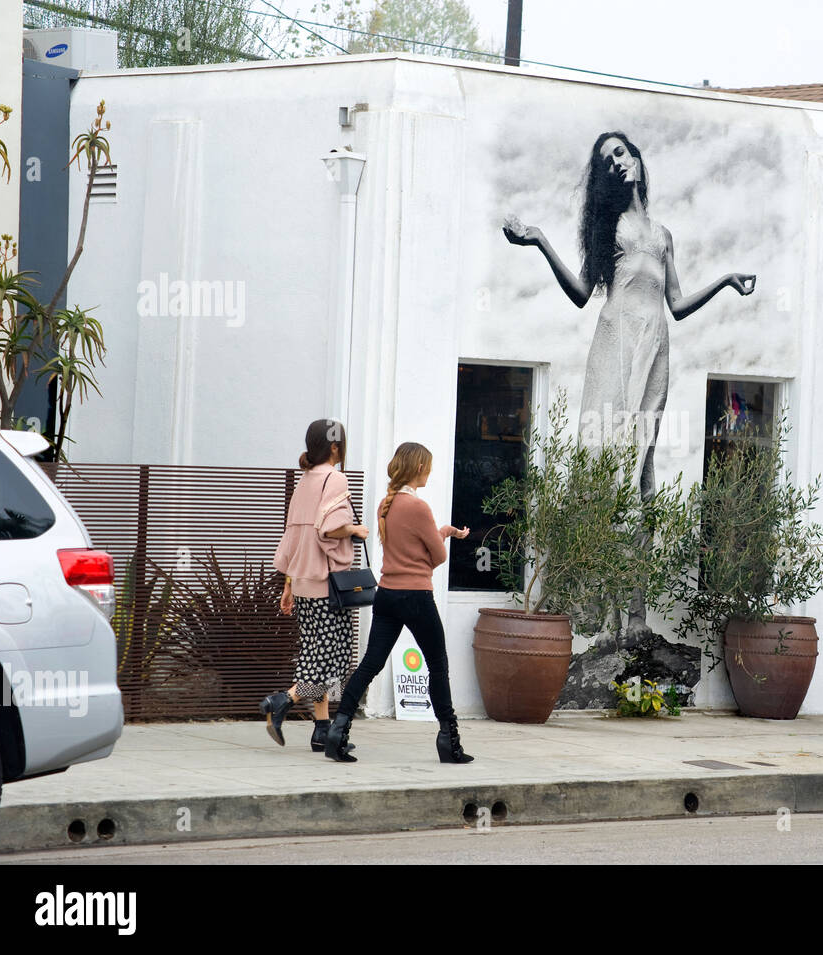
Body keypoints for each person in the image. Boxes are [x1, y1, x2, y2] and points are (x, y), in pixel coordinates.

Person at [503, 131, 755, 637]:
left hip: (655, 349)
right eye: (607, 161)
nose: (618, 163)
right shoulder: (610, 228)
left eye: (622, 152)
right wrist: (540, 241)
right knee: (611, 467)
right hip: (616, 343)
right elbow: (581, 293)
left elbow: (677, 306)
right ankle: (603, 609)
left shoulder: (662, 234)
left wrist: (726, 280)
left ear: (637, 158)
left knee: (642, 477)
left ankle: (632, 614)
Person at [323, 442, 472, 763]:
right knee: (437, 664)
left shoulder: (386, 505)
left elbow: (408, 547)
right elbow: (438, 556)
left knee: (370, 664)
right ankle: (450, 742)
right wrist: (440, 540)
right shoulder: (418, 508)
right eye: (428, 467)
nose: (430, 472)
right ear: (419, 468)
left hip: (387, 595)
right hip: (416, 596)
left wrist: (442, 531)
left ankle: (338, 730)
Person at [264, 420, 369, 752]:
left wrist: (288, 584)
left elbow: (294, 535)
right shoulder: (334, 478)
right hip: (328, 585)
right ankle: (282, 699)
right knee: (330, 660)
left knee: (316, 654)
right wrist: (355, 530)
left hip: (304, 583)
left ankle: (322, 729)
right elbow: (329, 528)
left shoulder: (305, 480)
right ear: (336, 447)